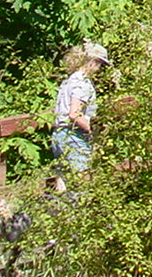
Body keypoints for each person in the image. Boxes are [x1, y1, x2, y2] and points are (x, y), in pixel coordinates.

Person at [51, 41, 111, 191]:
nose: (99, 69)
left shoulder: (69, 80)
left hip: (58, 134)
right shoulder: (82, 84)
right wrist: (93, 131)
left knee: (62, 181)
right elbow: (74, 114)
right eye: (99, 65)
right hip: (73, 135)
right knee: (84, 181)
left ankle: (60, 212)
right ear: (91, 62)